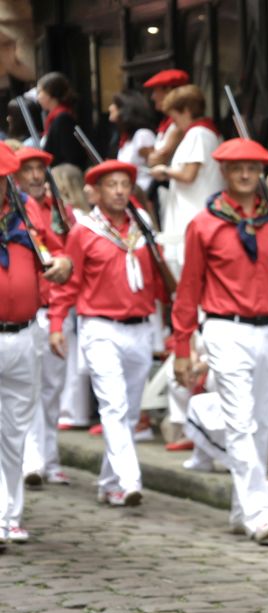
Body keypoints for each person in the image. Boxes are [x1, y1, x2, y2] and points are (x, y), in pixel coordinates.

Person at [171, 137, 268, 542]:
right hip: (224, 328)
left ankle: (240, 509)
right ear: (225, 173)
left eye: (253, 167)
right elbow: (188, 290)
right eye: (237, 169)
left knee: (264, 424)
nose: (246, 174)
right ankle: (260, 512)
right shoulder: (204, 223)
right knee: (239, 420)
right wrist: (182, 348)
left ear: (261, 172)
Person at [48, 160, 164, 507]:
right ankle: (130, 480)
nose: (118, 191)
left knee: (127, 411)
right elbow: (69, 283)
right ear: (95, 192)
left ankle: (109, 482)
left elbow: (160, 280)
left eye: (124, 184)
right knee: (112, 405)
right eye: (111, 185)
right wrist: (57, 323)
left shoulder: (141, 227)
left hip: (140, 327)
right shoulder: (84, 231)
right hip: (99, 327)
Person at [0, 143, 70, 544]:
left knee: (14, 431)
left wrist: (63, 265)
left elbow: (59, 255)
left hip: (25, 334)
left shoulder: (27, 211)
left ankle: (11, 515)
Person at [15, 147, 74, 488]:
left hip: (58, 308)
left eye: (41, 169)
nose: (37, 176)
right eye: (30, 169)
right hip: (29, 310)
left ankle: (48, 458)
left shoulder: (60, 212)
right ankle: (31, 457)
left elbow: (70, 257)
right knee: (29, 390)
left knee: (52, 390)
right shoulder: (20, 211)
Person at [152, 85, 223, 277]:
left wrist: (164, 171)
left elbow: (188, 175)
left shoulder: (198, 134)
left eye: (175, 118)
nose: (175, 125)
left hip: (192, 211)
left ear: (186, 111)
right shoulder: (206, 133)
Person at [108, 92, 158, 193]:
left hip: (142, 193)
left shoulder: (142, 135)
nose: (110, 107)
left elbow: (155, 165)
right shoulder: (126, 139)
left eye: (115, 105)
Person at [144, 69, 191, 169]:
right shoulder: (168, 123)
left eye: (156, 91)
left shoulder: (178, 125)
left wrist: (150, 154)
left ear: (169, 91)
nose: (153, 97)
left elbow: (157, 160)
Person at [35, 72, 81, 169]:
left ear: (49, 93)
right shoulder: (55, 118)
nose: (37, 97)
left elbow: (67, 156)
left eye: (39, 92)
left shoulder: (63, 119)